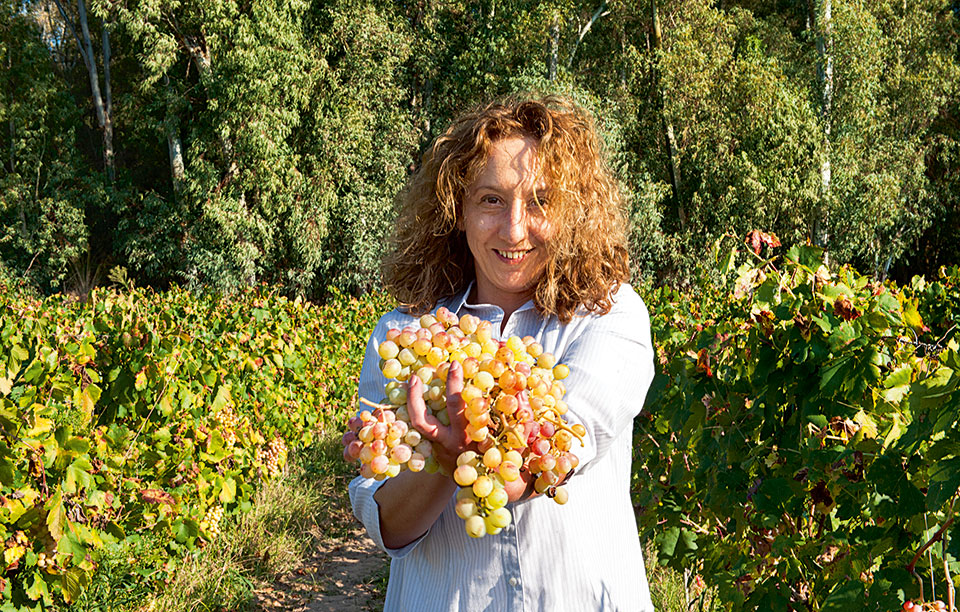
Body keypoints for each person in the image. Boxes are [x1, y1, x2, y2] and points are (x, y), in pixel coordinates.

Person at [348, 95, 656, 611]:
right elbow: (387, 525)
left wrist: (462, 452)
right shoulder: (403, 336)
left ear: (572, 214)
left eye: (541, 200)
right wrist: (443, 463)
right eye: (491, 199)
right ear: (458, 212)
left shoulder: (610, 314)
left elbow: (562, 439)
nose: (514, 229)